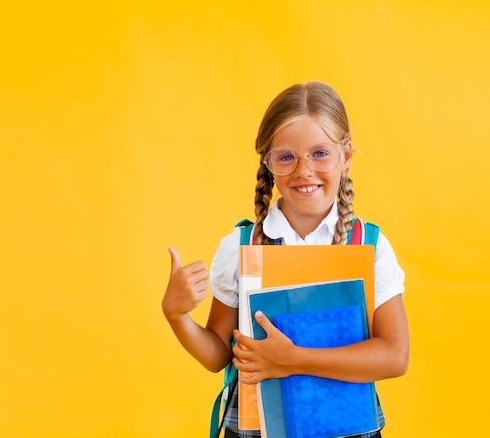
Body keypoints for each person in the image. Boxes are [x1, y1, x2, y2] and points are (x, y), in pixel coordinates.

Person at [162, 81, 410, 438]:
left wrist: (293, 358)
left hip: (346, 427)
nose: (304, 170)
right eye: (286, 157)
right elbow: (217, 355)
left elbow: (394, 356)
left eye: (320, 153)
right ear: (268, 163)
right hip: (254, 427)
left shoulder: (369, 245)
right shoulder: (242, 245)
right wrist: (176, 315)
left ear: (347, 155)